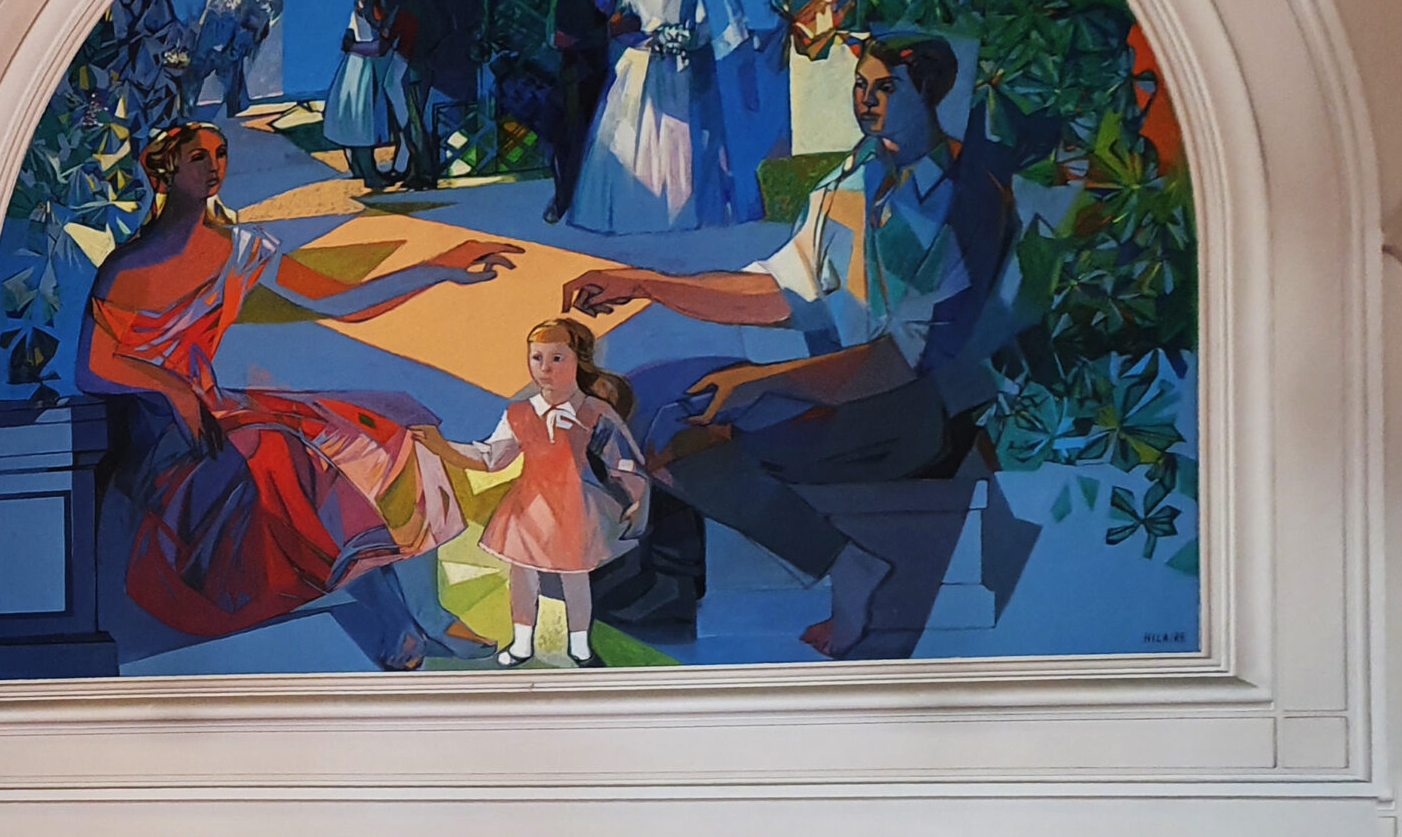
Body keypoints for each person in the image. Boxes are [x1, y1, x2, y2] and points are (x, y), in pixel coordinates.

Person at [563, 36, 1018, 657]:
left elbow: (905, 357)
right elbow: (783, 290)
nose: (867, 101)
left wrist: (762, 383)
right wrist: (645, 284)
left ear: (930, 94)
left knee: (686, 436)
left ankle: (850, 567)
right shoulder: (854, 177)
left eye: (886, 88)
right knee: (635, 396)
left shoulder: (964, 198)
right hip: (841, 385)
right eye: (861, 85)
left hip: (916, 410)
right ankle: (651, 586)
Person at [81, 122, 521, 667]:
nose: (214, 167)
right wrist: (173, 389)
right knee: (290, 460)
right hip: (161, 427)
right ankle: (396, 623)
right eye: (198, 157)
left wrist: (438, 269)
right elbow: (93, 366)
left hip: (219, 408)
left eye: (221, 154)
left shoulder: (240, 248)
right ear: (163, 172)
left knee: (394, 433)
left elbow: (340, 302)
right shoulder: (132, 265)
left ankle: (429, 614)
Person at [417, 318, 648, 668]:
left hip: (575, 506)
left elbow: (623, 459)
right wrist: (442, 447)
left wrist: (635, 497)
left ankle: (579, 645)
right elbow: (491, 457)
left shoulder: (596, 412)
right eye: (537, 358)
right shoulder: (520, 413)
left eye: (557, 358)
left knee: (574, 577)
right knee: (523, 576)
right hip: (528, 507)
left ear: (579, 360)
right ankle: (522, 642)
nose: (545, 368)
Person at [566, 0, 745, 233]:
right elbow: (623, 19)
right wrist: (645, 38)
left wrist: (684, 39)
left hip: (677, 67)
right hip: (639, 64)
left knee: (676, 134)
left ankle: (678, 211)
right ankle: (633, 212)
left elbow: (704, 23)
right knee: (631, 134)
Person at [542, 0, 622, 224]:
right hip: (579, 71)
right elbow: (556, 34)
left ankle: (606, 205)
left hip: (617, 67)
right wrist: (604, 33)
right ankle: (564, 200)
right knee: (573, 137)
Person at [321, 0, 414, 188]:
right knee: (361, 122)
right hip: (363, 68)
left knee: (357, 120)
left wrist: (352, 46)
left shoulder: (362, 4)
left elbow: (356, 39)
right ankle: (369, 175)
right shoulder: (373, 8)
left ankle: (361, 170)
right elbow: (379, 47)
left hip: (357, 65)